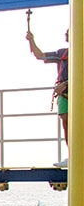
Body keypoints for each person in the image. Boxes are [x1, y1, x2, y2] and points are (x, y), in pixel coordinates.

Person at [26, 29, 70, 167]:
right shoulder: (62, 53)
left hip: (75, 89)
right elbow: (40, 56)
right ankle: (73, 154)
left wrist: (67, 83)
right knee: (66, 123)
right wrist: (31, 40)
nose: (66, 34)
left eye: (68, 32)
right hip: (64, 93)